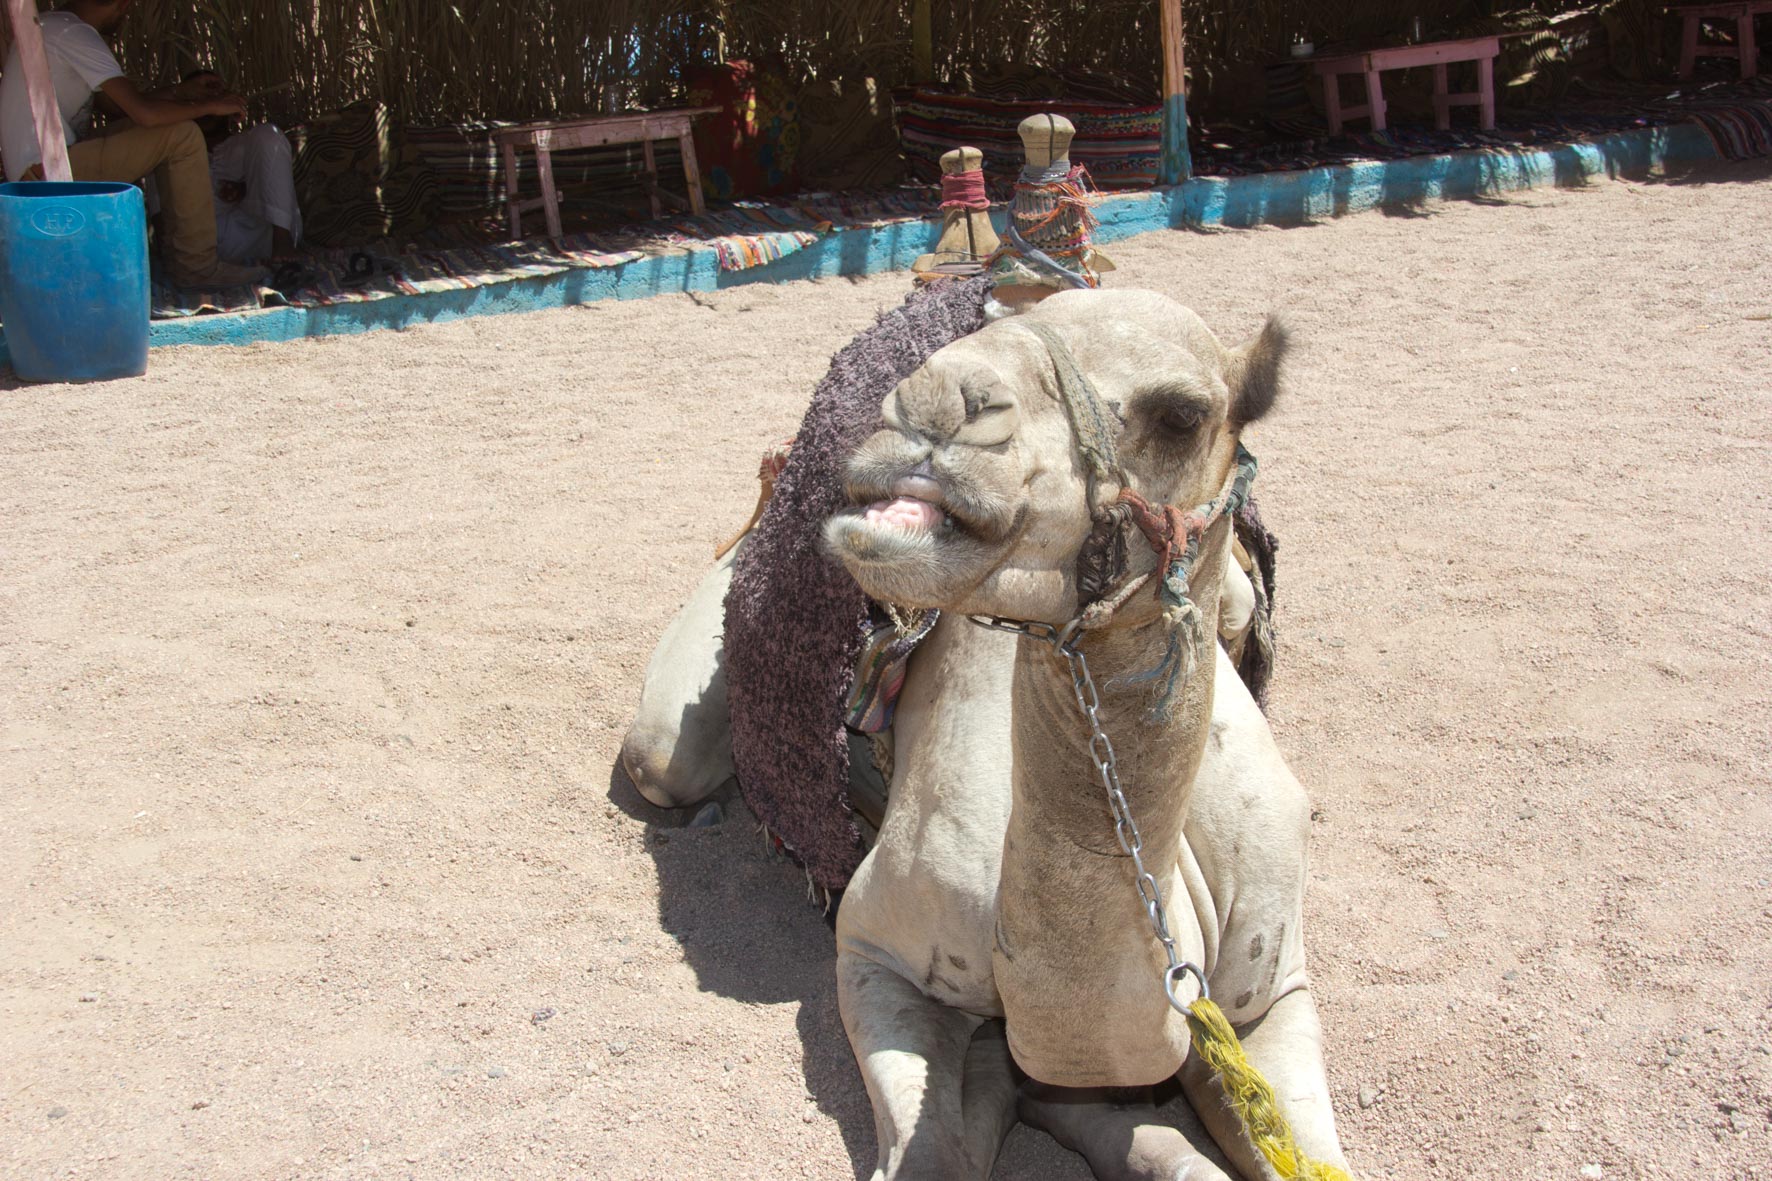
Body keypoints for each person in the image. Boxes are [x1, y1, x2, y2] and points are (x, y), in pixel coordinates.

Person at [0, 0, 263, 287]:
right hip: (48, 174)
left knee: (168, 129)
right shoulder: (75, 33)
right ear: (122, 4)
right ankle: (196, 268)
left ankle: (181, 260)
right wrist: (210, 106)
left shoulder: (53, 27)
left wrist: (182, 92)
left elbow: (117, 107)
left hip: (35, 170)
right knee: (183, 136)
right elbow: (144, 114)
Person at [175, 70, 301, 265]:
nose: (206, 109)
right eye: (196, 102)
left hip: (259, 237)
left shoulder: (248, 144)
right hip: (198, 246)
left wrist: (246, 188)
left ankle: (282, 241)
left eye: (212, 100)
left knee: (270, 134)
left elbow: (271, 181)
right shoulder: (176, 150)